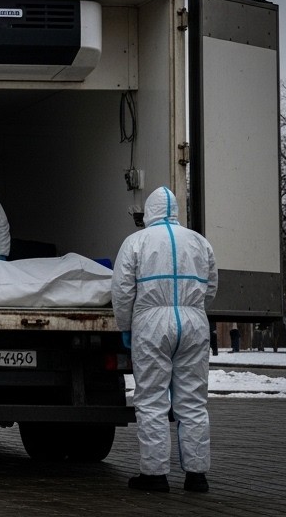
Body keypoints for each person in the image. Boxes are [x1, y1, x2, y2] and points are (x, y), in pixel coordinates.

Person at [112, 186, 218, 493]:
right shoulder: (199, 241)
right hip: (193, 321)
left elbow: (122, 290)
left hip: (151, 322)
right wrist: (193, 309)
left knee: (152, 400)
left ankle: (155, 475)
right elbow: (211, 285)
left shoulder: (137, 241)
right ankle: (197, 475)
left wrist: (126, 326)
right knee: (193, 402)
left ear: (149, 212)